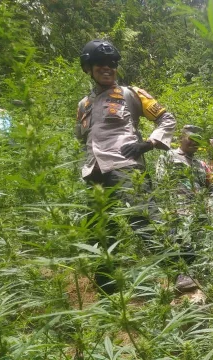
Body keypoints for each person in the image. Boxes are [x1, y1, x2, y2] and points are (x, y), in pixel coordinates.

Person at [75, 39, 176, 293]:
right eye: (100, 64)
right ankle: (107, 288)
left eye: (112, 64)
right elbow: (83, 137)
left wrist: (149, 144)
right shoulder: (83, 105)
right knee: (99, 229)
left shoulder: (131, 94)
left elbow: (166, 118)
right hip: (94, 172)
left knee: (145, 220)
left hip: (125, 167)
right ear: (88, 67)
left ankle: (179, 273)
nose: (107, 68)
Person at [156, 125, 213, 293]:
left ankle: (199, 274)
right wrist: (169, 207)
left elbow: (208, 186)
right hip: (177, 208)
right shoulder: (168, 156)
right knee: (181, 241)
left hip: (198, 209)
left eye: (198, 141)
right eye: (191, 139)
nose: (194, 144)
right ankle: (181, 277)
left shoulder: (200, 164)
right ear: (181, 138)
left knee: (202, 243)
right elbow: (161, 183)